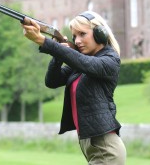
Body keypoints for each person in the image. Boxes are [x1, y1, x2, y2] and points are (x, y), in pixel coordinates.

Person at [21, 11, 126, 165]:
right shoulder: (81, 63)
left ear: (100, 34)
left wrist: (43, 41)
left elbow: (85, 63)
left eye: (82, 34)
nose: (77, 41)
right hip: (91, 147)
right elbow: (52, 81)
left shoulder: (110, 60)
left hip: (106, 150)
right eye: (74, 36)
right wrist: (58, 54)